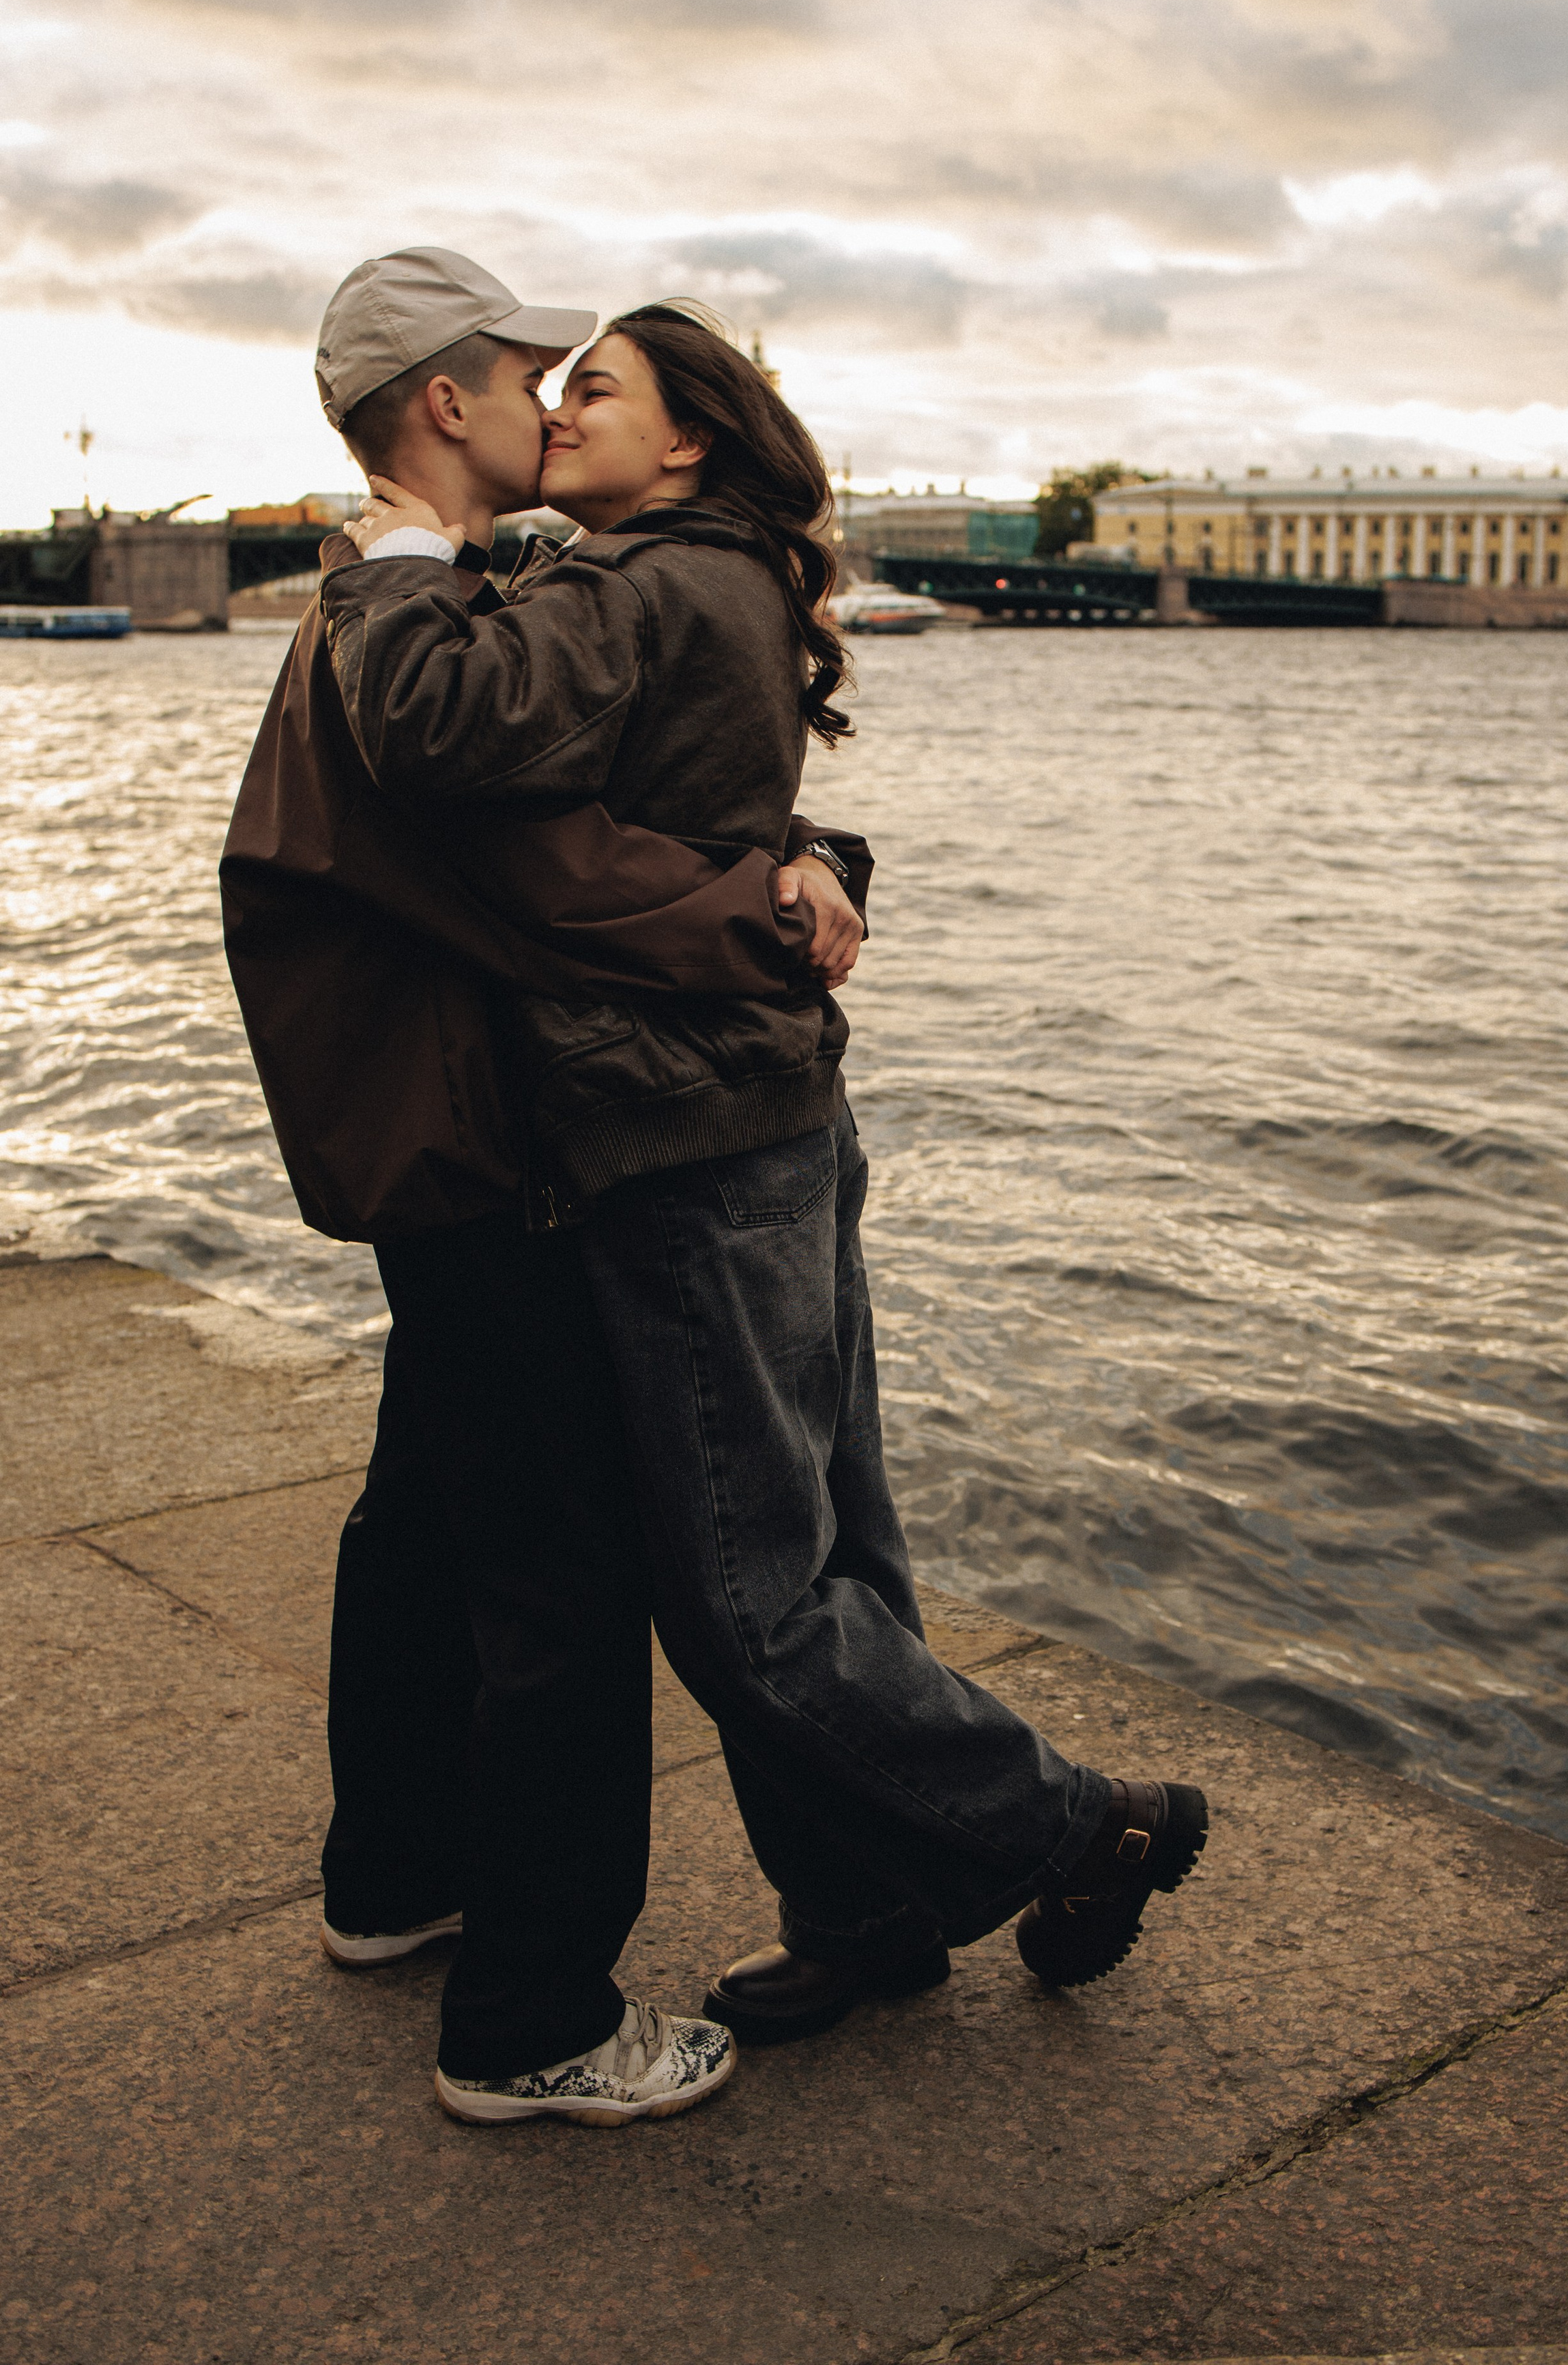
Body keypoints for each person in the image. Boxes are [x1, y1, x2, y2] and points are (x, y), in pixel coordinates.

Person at [323, 299, 1211, 2106]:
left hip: (684, 1143)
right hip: (756, 1117)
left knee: (750, 1600)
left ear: (688, 441)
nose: (559, 410)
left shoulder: (646, 581)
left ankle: (1080, 1826)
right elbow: (668, 818)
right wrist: (804, 858)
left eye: (595, 389)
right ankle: (874, 1907)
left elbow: (440, 735)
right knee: (831, 1548)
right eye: (551, 386)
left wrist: (393, 565)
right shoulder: (685, 576)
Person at [224, 248, 870, 2128]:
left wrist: (807, 840)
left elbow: (608, 794)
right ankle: (532, 2020)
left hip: (432, 1124)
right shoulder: (405, 612)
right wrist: (777, 907)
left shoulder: (422, 596)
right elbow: (558, 879)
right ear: (451, 400)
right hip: (484, 1138)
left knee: (425, 1516)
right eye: (532, 376)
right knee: (561, 1578)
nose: (554, 400)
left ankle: (394, 1879)